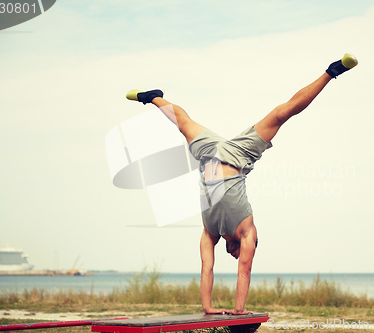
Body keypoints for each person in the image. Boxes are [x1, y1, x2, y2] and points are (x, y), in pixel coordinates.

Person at [125, 54, 358, 315]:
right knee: (282, 114)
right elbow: (245, 269)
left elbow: (206, 268)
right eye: (237, 254)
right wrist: (239, 310)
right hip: (239, 155)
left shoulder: (209, 232)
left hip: (209, 154)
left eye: (235, 255)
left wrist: (207, 307)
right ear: (252, 243)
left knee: (183, 124)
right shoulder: (248, 232)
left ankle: (153, 97)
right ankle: (331, 72)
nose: (235, 256)